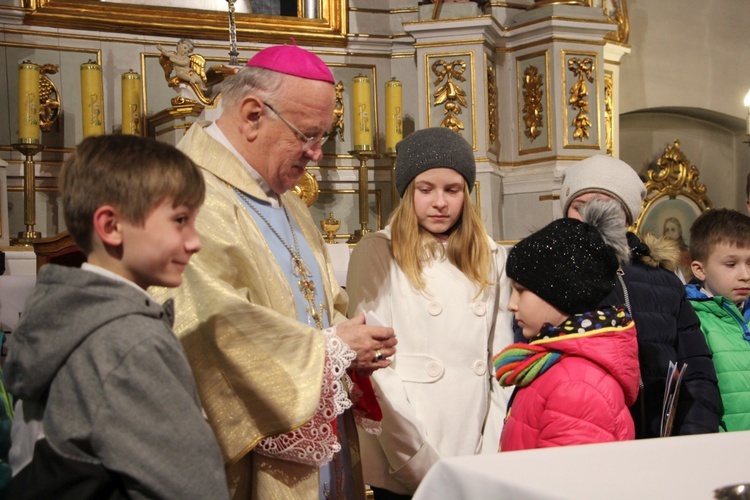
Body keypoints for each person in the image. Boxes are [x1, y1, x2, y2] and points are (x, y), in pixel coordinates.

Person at [149, 44, 397, 499]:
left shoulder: (283, 197)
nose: (317, 154)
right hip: (254, 462)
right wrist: (330, 351)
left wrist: (352, 337)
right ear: (251, 115)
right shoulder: (187, 195)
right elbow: (207, 326)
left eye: (324, 137)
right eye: (307, 135)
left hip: (318, 435)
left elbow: (318, 303)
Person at [4, 135, 228, 498]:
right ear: (110, 226)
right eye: (180, 219)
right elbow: (191, 487)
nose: (195, 241)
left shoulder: (61, 314)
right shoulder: (130, 340)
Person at [346, 128, 513, 499]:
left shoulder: (491, 256)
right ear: (408, 192)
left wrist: (490, 452)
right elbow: (374, 369)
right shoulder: (378, 253)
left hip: (474, 448)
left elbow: (502, 362)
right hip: (405, 452)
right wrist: (419, 464)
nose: (440, 202)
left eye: (452, 190)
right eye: (426, 189)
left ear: (466, 194)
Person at [560, 154, 721, 438]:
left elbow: (697, 373)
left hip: (663, 443)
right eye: (579, 206)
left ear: (627, 215)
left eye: (604, 205)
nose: (589, 216)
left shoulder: (664, 281)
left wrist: (692, 435)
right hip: (589, 441)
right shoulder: (553, 277)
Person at [493, 199, 639, 450]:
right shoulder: (557, 366)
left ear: (561, 294)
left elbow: (566, 482)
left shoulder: (576, 387)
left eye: (521, 291)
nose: (511, 305)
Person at [686, 208, 750, 431]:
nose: (745, 275)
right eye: (731, 264)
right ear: (700, 269)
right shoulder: (691, 320)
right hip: (723, 448)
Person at [662, 216, 693, 282]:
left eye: (673, 230)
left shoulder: (686, 256)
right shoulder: (659, 257)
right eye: (667, 230)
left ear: (679, 232)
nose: (669, 233)